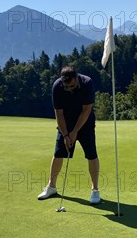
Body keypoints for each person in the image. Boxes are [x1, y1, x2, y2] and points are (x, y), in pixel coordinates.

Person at [37, 66, 101, 204]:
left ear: (77, 78)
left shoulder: (87, 83)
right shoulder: (58, 86)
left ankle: (95, 190)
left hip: (85, 124)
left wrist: (75, 131)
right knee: (58, 154)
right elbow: (58, 113)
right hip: (65, 125)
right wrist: (66, 134)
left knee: (91, 155)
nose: (69, 88)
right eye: (67, 86)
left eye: (72, 85)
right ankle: (51, 187)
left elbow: (86, 110)